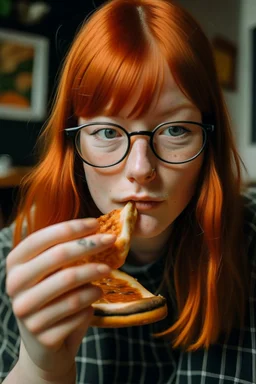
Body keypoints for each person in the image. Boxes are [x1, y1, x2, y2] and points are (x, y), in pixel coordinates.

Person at [0, 0, 255, 383]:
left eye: (175, 130)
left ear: (210, 140)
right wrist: (40, 369)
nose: (141, 169)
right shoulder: (20, 257)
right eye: (106, 131)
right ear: (74, 146)